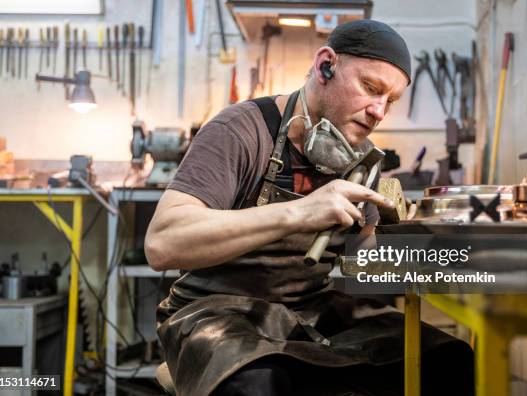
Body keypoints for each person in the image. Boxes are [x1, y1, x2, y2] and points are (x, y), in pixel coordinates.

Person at [145, 19, 474, 396]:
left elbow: (358, 264)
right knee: (256, 383)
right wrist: (300, 212)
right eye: (371, 88)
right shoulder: (240, 130)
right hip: (216, 312)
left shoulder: (363, 161)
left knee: (447, 359)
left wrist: (414, 244)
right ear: (325, 66)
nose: (379, 111)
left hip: (314, 311)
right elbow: (162, 243)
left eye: (390, 101)